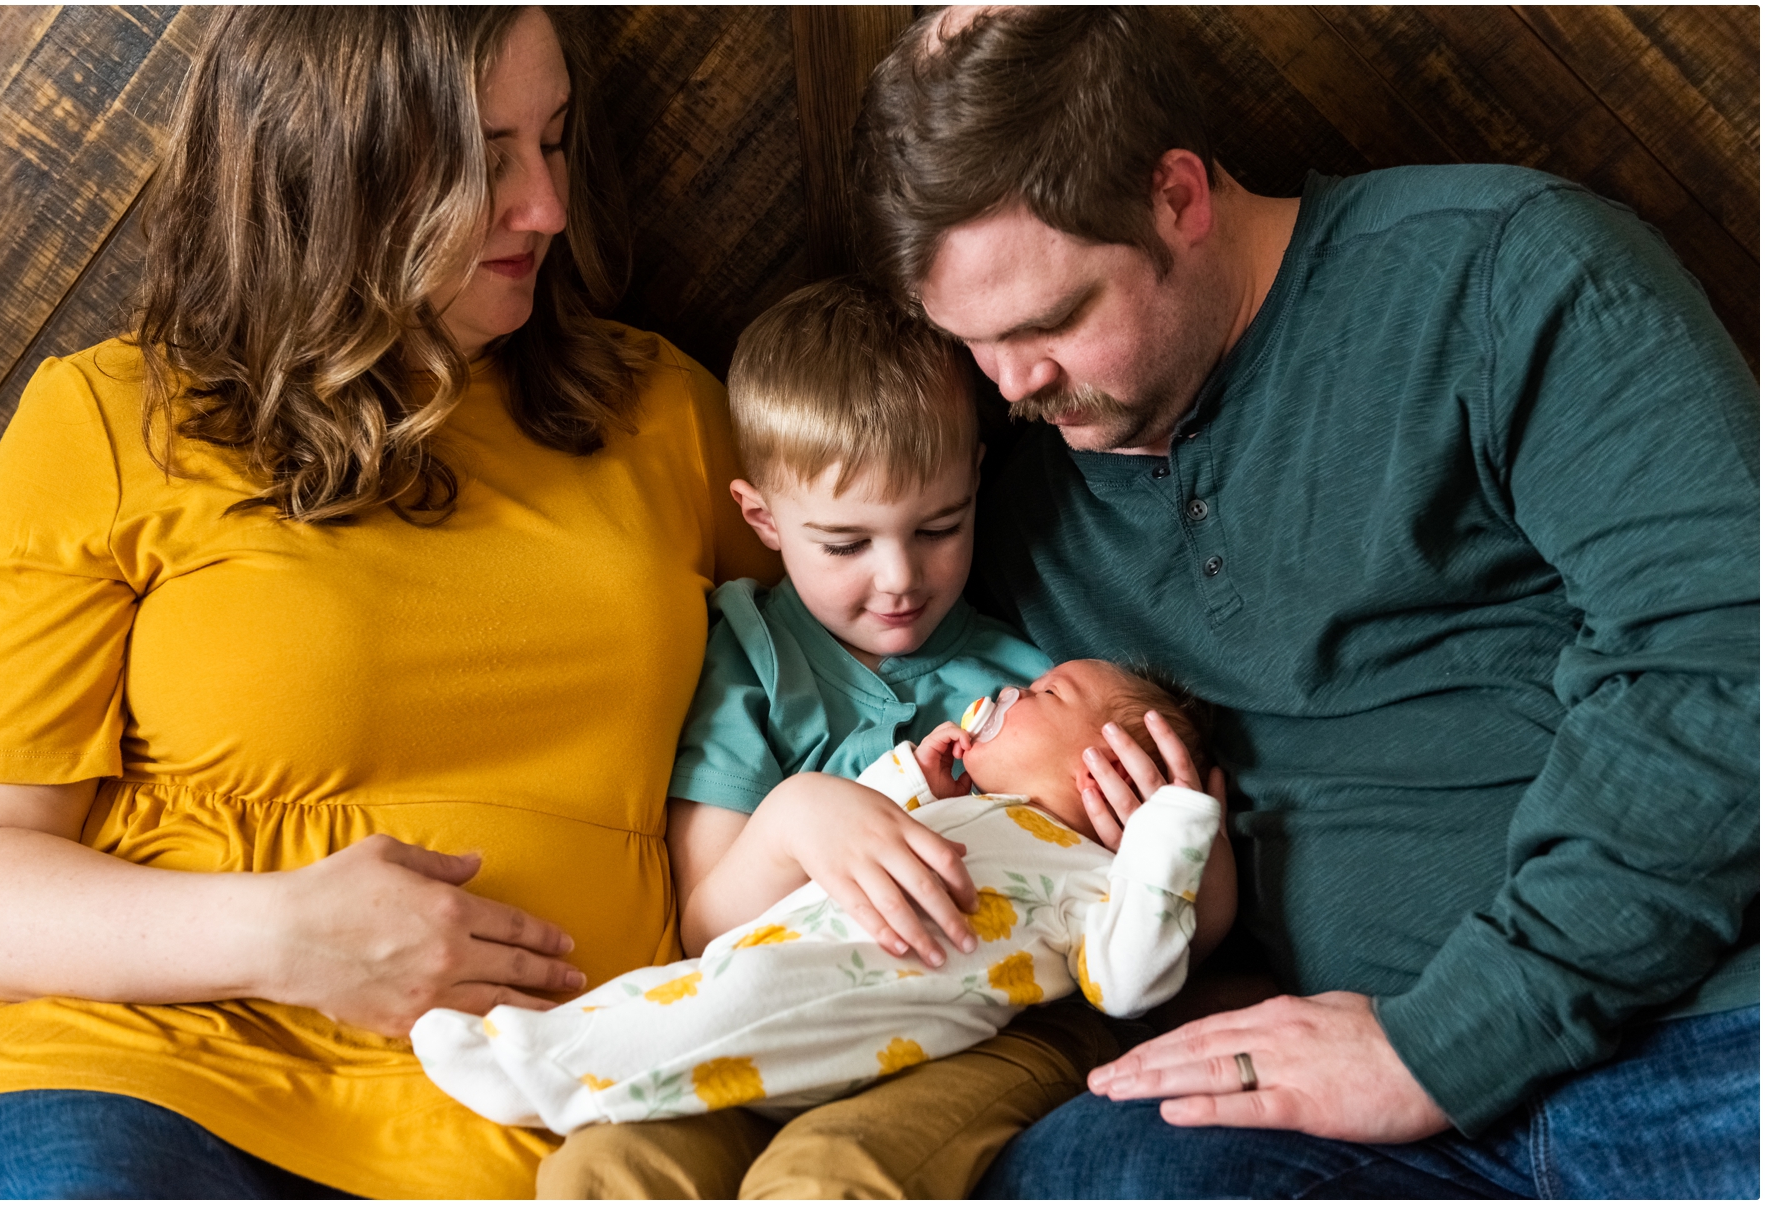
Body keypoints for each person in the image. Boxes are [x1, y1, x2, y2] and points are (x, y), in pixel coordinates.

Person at [852, 6, 1759, 1199]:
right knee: (1080, 1175)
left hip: (1695, 1035)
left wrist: (1442, 1043)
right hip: (1335, 1107)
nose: (1012, 383)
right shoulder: (1012, 500)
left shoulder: (1506, 273)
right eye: (971, 341)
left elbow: (1724, 656)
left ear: (1179, 195)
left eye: (1052, 320)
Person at [0, 8, 778, 1198]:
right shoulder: (112, 417)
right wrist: (280, 936)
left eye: (551, 142)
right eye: (482, 160)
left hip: (546, 1124)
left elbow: (837, 700)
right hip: (152, 1081)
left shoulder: (666, 413)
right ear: (330, 168)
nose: (545, 206)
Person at [535, 278, 1236, 1198]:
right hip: (781, 1021)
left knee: (831, 1174)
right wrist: (799, 817)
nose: (900, 579)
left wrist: (1189, 845)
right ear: (763, 520)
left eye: (938, 527)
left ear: (977, 482)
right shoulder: (750, 664)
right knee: (605, 1166)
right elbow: (705, 926)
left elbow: (1164, 940)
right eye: (845, 543)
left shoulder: (1033, 679)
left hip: (994, 1026)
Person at [414, 660, 1224, 1136]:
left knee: (732, 1008)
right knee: (689, 992)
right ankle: (560, 1044)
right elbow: (856, 837)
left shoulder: (1090, 879)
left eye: (1047, 695)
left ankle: (543, 1073)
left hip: (862, 1008)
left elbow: (1129, 978)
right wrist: (908, 780)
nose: (1011, 691)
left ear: (1106, 771)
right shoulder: (962, 808)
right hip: (787, 943)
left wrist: (1171, 832)